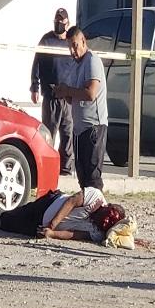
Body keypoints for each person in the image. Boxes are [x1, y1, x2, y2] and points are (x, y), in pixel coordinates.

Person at [54, 26, 109, 190]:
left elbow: (91, 93)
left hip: (93, 127)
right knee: (82, 177)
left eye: (75, 45)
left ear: (83, 41)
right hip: (79, 129)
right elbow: (75, 98)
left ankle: (100, 211)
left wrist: (69, 91)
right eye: (69, 47)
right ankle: (87, 211)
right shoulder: (76, 65)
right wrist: (63, 93)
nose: (72, 51)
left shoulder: (92, 60)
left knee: (93, 178)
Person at [0, 187, 124, 243]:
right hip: (48, 204)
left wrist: (52, 234)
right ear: (107, 206)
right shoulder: (96, 197)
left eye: (107, 224)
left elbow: (75, 234)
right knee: (13, 215)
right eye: (107, 216)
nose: (104, 222)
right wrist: (53, 224)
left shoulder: (99, 234)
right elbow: (71, 202)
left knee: (9, 225)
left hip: (41, 226)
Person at [30, 8, 75, 176]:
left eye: (61, 21)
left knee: (67, 134)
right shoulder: (46, 40)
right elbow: (37, 64)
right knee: (49, 134)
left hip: (68, 97)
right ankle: (47, 169)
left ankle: (65, 169)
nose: (58, 24)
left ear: (67, 23)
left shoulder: (71, 41)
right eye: (56, 20)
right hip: (51, 95)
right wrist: (35, 86)